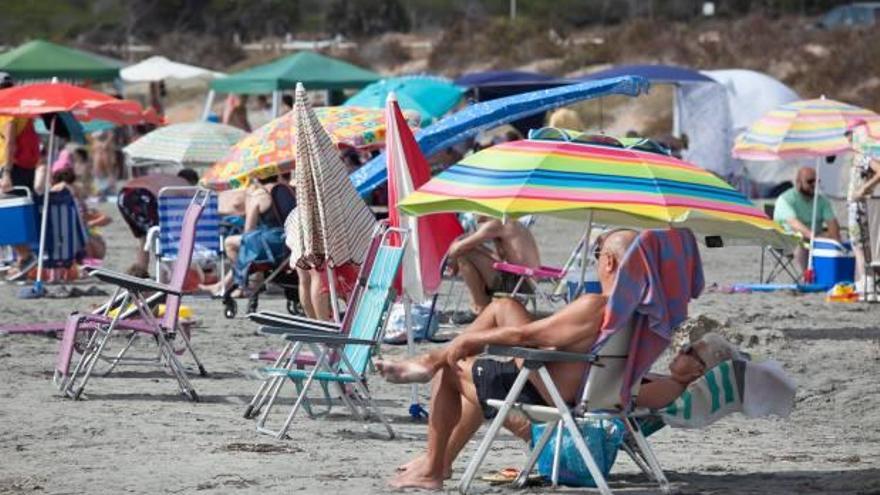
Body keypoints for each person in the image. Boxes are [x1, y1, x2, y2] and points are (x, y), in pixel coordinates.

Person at [375, 230, 727, 489]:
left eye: (598, 254)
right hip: (573, 389)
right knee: (502, 307)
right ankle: (438, 457)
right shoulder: (644, 315)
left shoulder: (598, 306)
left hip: (543, 388)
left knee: (453, 370)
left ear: (609, 262)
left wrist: (461, 343)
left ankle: (434, 464)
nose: (597, 262)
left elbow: (527, 338)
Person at [200, 175, 290, 296]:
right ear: (278, 177)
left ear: (257, 179)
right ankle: (224, 285)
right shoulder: (288, 190)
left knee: (231, 243)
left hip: (270, 244)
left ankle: (241, 285)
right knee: (248, 245)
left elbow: (249, 230)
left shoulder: (259, 196)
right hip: (289, 241)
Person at [448, 216, 540, 320]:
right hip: (526, 283)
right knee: (469, 251)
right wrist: (474, 247)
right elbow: (498, 258)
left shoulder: (497, 224)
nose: (472, 215)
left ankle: (480, 307)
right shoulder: (509, 223)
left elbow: (456, 249)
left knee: (464, 255)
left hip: (518, 283)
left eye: (475, 210)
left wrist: (457, 251)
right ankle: (484, 305)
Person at [0, 72, 41, 273]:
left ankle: (25, 256)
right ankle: (22, 256)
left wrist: (6, 173)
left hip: (12, 167)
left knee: (7, 214)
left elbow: (9, 142)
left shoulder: (7, 110)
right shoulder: (21, 109)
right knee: (11, 213)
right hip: (24, 166)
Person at [774, 166, 841, 271]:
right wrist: (813, 237)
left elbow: (832, 225)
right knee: (802, 241)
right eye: (810, 181)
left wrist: (833, 238)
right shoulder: (785, 199)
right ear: (798, 182)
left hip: (815, 239)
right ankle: (805, 277)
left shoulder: (822, 201)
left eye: (816, 181)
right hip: (787, 240)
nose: (814, 184)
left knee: (837, 240)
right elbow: (794, 223)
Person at [847, 124, 880, 294]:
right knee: (859, 244)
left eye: (850, 135)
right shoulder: (858, 157)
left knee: (858, 245)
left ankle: (865, 282)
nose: (847, 139)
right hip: (856, 204)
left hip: (859, 205)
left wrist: (863, 189)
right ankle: (866, 281)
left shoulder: (863, 156)